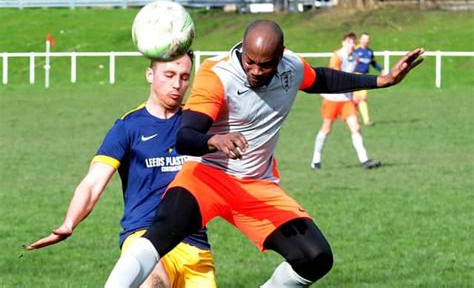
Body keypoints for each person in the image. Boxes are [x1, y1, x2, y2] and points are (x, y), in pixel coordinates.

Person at [105, 20, 424, 287]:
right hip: (206, 178)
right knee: (158, 235)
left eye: (265, 64)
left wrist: (382, 80)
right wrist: (214, 141)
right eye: (249, 61)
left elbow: (320, 78)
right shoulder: (217, 75)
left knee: (315, 258)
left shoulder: (291, 67)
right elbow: (185, 137)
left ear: (281, 56)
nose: (255, 70)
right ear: (241, 51)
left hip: (256, 185)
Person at [26, 51, 216, 288]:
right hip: (145, 235)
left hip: (196, 246)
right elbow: (93, 182)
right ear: (150, 74)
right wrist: (69, 222)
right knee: (151, 284)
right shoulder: (128, 127)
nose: (177, 84)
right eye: (169, 75)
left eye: (185, 77)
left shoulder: (197, 125)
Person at [311, 32, 381, 170]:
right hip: (332, 98)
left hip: (346, 99)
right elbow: (336, 77)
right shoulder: (337, 56)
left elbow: (352, 77)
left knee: (356, 127)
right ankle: (316, 160)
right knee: (326, 128)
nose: (350, 45)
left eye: (352, 42)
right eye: (348, 42)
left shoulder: (355, 57)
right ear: (343, 42)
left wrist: (355, 92)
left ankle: (364, 160)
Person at [353, 32, 384, 126]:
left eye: (367, 39)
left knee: (362, 98)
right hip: (353, 76)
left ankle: (366, 120)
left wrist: (381, 69)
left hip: (364, 77)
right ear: (360, 39)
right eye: (364, 38)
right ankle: (354, 119)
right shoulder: (354, 50)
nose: (366, 41)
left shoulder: (369, 52)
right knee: (354, 99)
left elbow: (373, 63)